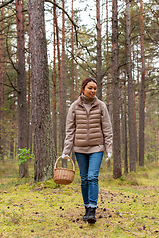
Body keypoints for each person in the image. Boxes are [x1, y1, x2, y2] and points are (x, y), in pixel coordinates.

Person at [62, 77, 113, 224]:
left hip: (97, 148)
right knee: (84, 179)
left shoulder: (101, 106)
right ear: (83, 88)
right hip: (79, 148)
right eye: (90, 88)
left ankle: (92, 209)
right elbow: (70, 130)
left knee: (92, 177)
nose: (93, 91)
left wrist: (108, 148)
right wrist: (66, 150)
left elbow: (107, 129)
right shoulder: (74, 106)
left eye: (95, 88)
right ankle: (86, 207)